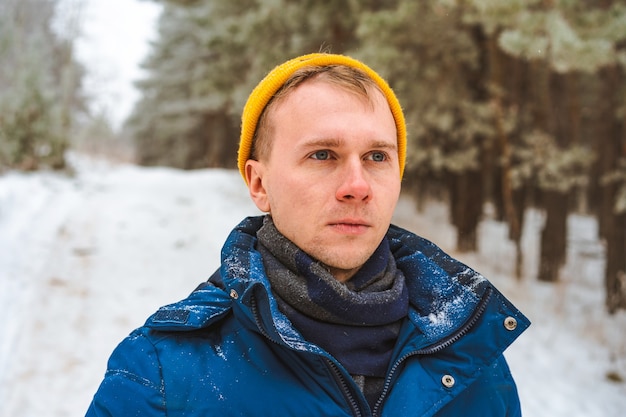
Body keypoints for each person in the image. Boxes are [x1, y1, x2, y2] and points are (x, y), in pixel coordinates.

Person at [86, 53, 530, 417]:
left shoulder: (472, 357)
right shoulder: (162, 373)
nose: (358, 185)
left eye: (377, 156)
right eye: (323, 155)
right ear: (259, 184)